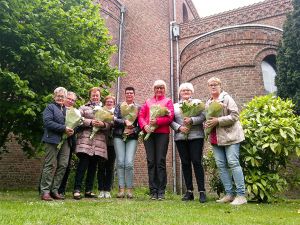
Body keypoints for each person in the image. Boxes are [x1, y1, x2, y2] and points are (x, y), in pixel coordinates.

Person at [205, 77, 247, 206]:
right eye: (211, 85)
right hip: (215, 138)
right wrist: (206, 124)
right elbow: (208, 118)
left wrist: (218, 120)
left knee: (233, 163)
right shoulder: (208, 103)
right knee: (221, 166)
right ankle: (229, 194)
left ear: (220, 86)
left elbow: (235, 115)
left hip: (231, 136)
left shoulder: (227, 98)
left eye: (215, 84)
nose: (213, 87)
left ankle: (241, 195)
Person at [170, 83, 206, 203]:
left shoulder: (197, 103)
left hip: (196, 136)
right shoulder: (175, 106)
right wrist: (179, 127)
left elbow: (203, 116)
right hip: (181, 137)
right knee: (185, 163)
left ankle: (202, 192)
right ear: (180, 92)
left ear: (192, 92)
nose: (186, 92)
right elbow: (170, 121)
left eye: (188, 90)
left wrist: (192, 120)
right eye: (183, 90)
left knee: (196, 162)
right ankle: (189, 192)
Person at [138, 80, 174, 200]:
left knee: (160, 161)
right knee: (151, 161)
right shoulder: (148, 101)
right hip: (148, 134)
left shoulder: (168, 101)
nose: (159, 90)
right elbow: (141, 116)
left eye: (161, 88)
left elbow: (170, 117)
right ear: (154, 89)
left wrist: (157, 121)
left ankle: (161, 191)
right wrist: (145, 126)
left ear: (164, 89)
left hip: (162, 134)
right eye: (157, 88)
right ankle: (153, 191)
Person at [73, 87, 110, 200]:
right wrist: (90, 122)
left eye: (97, 95)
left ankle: (88, 190)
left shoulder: (105, 109)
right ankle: (77, 190)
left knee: (93, 167)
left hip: (98, 142)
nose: (95, 97)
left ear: (100, 97)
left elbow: (110, 124)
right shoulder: (83, 107)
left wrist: (103, 124)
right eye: (93, 95)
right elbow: (77, 119)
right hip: (85, 140)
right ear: (90, 96)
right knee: (82, 165)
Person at [40, 87, 74, 201]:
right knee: (49, 165)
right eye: (58, 96)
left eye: (62, 96)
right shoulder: (50, 108)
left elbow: (72, 123)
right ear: (54, 97)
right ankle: (45, 191)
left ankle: (55, 190)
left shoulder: (67, 110)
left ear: (65, 98)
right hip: (52, 140)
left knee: (63, 165)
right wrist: (64, 128)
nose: (60, 98)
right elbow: (48, 122)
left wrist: (71, 130)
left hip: (65, 141)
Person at [113, 87, 140, 198]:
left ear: (134, 95)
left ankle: (129, 190)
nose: (129, 94)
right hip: (119, 136)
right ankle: (121, 189)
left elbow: (141, 124)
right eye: (127, 93)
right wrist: (125, 122)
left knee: (128, 163)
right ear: (125, 94)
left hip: (132, 137)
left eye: (131, 93)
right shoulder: (119, 106)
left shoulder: (138, 107)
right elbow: (114, 119)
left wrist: (133, 130)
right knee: (120, 162)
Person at [58, 91, 77, 197]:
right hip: (56, 140)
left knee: (65, 166)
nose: (70, 101)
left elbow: (77, 126)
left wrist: (73, 130)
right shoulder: (58, 109)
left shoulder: (75, 112)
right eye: (69, 98)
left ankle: (61, 189)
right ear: (65, 98)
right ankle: (45, 189)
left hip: (69, 140)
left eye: (73, 100)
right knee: (51, 164)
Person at [97, 95, 116, 198]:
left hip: (112, 142)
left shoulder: (116, 112)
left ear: (113, 103)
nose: (109, 103)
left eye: (111, 102)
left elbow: (117, 123)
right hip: (101, 142)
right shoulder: (100, 111)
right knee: (101, 166)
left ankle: (107, 189)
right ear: (105, 102)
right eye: (107, 101)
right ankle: (101, 189)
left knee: (110, 166)